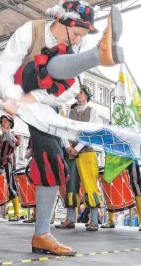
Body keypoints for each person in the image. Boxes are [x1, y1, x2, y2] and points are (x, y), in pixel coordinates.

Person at [0, 0, 124, 255]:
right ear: (62, 21)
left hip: (43, 105)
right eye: (77, 33)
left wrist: (36, 99)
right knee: (48, 62)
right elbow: (3, 73)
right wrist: (14, 98)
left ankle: (42, 235)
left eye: (84, 36)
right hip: (19, 87)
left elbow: (73, 90)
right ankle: (42, 234)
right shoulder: (29, 31)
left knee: (53, 163)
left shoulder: (72, 46)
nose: (78, 39)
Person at [56, 85, 102, 231]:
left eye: (81, 93)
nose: (78, 95)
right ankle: (70, 219)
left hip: (86, 152)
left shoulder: (92, 111)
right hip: (71, 152)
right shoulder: (71, 111)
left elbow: (91, 132)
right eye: (77, 93)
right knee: (71, 185)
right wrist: (67, 147)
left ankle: (94, 219)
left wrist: (77, 148)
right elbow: (64, 131)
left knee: (90, 185)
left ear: (87, 95)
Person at [101, 160, 141, 231]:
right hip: (113, 157)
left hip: (129, 157)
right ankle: (111, 220)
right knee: (110, 186)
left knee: (137, 187)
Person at [0, 114, 21, 221]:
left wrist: (7, 133)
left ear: (10, 124)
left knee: (10, 186)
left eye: (6, 121)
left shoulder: (13, 135)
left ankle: (17, 213)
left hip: (8, 163)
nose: (3, 123)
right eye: (2, 121)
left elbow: (15, 144)